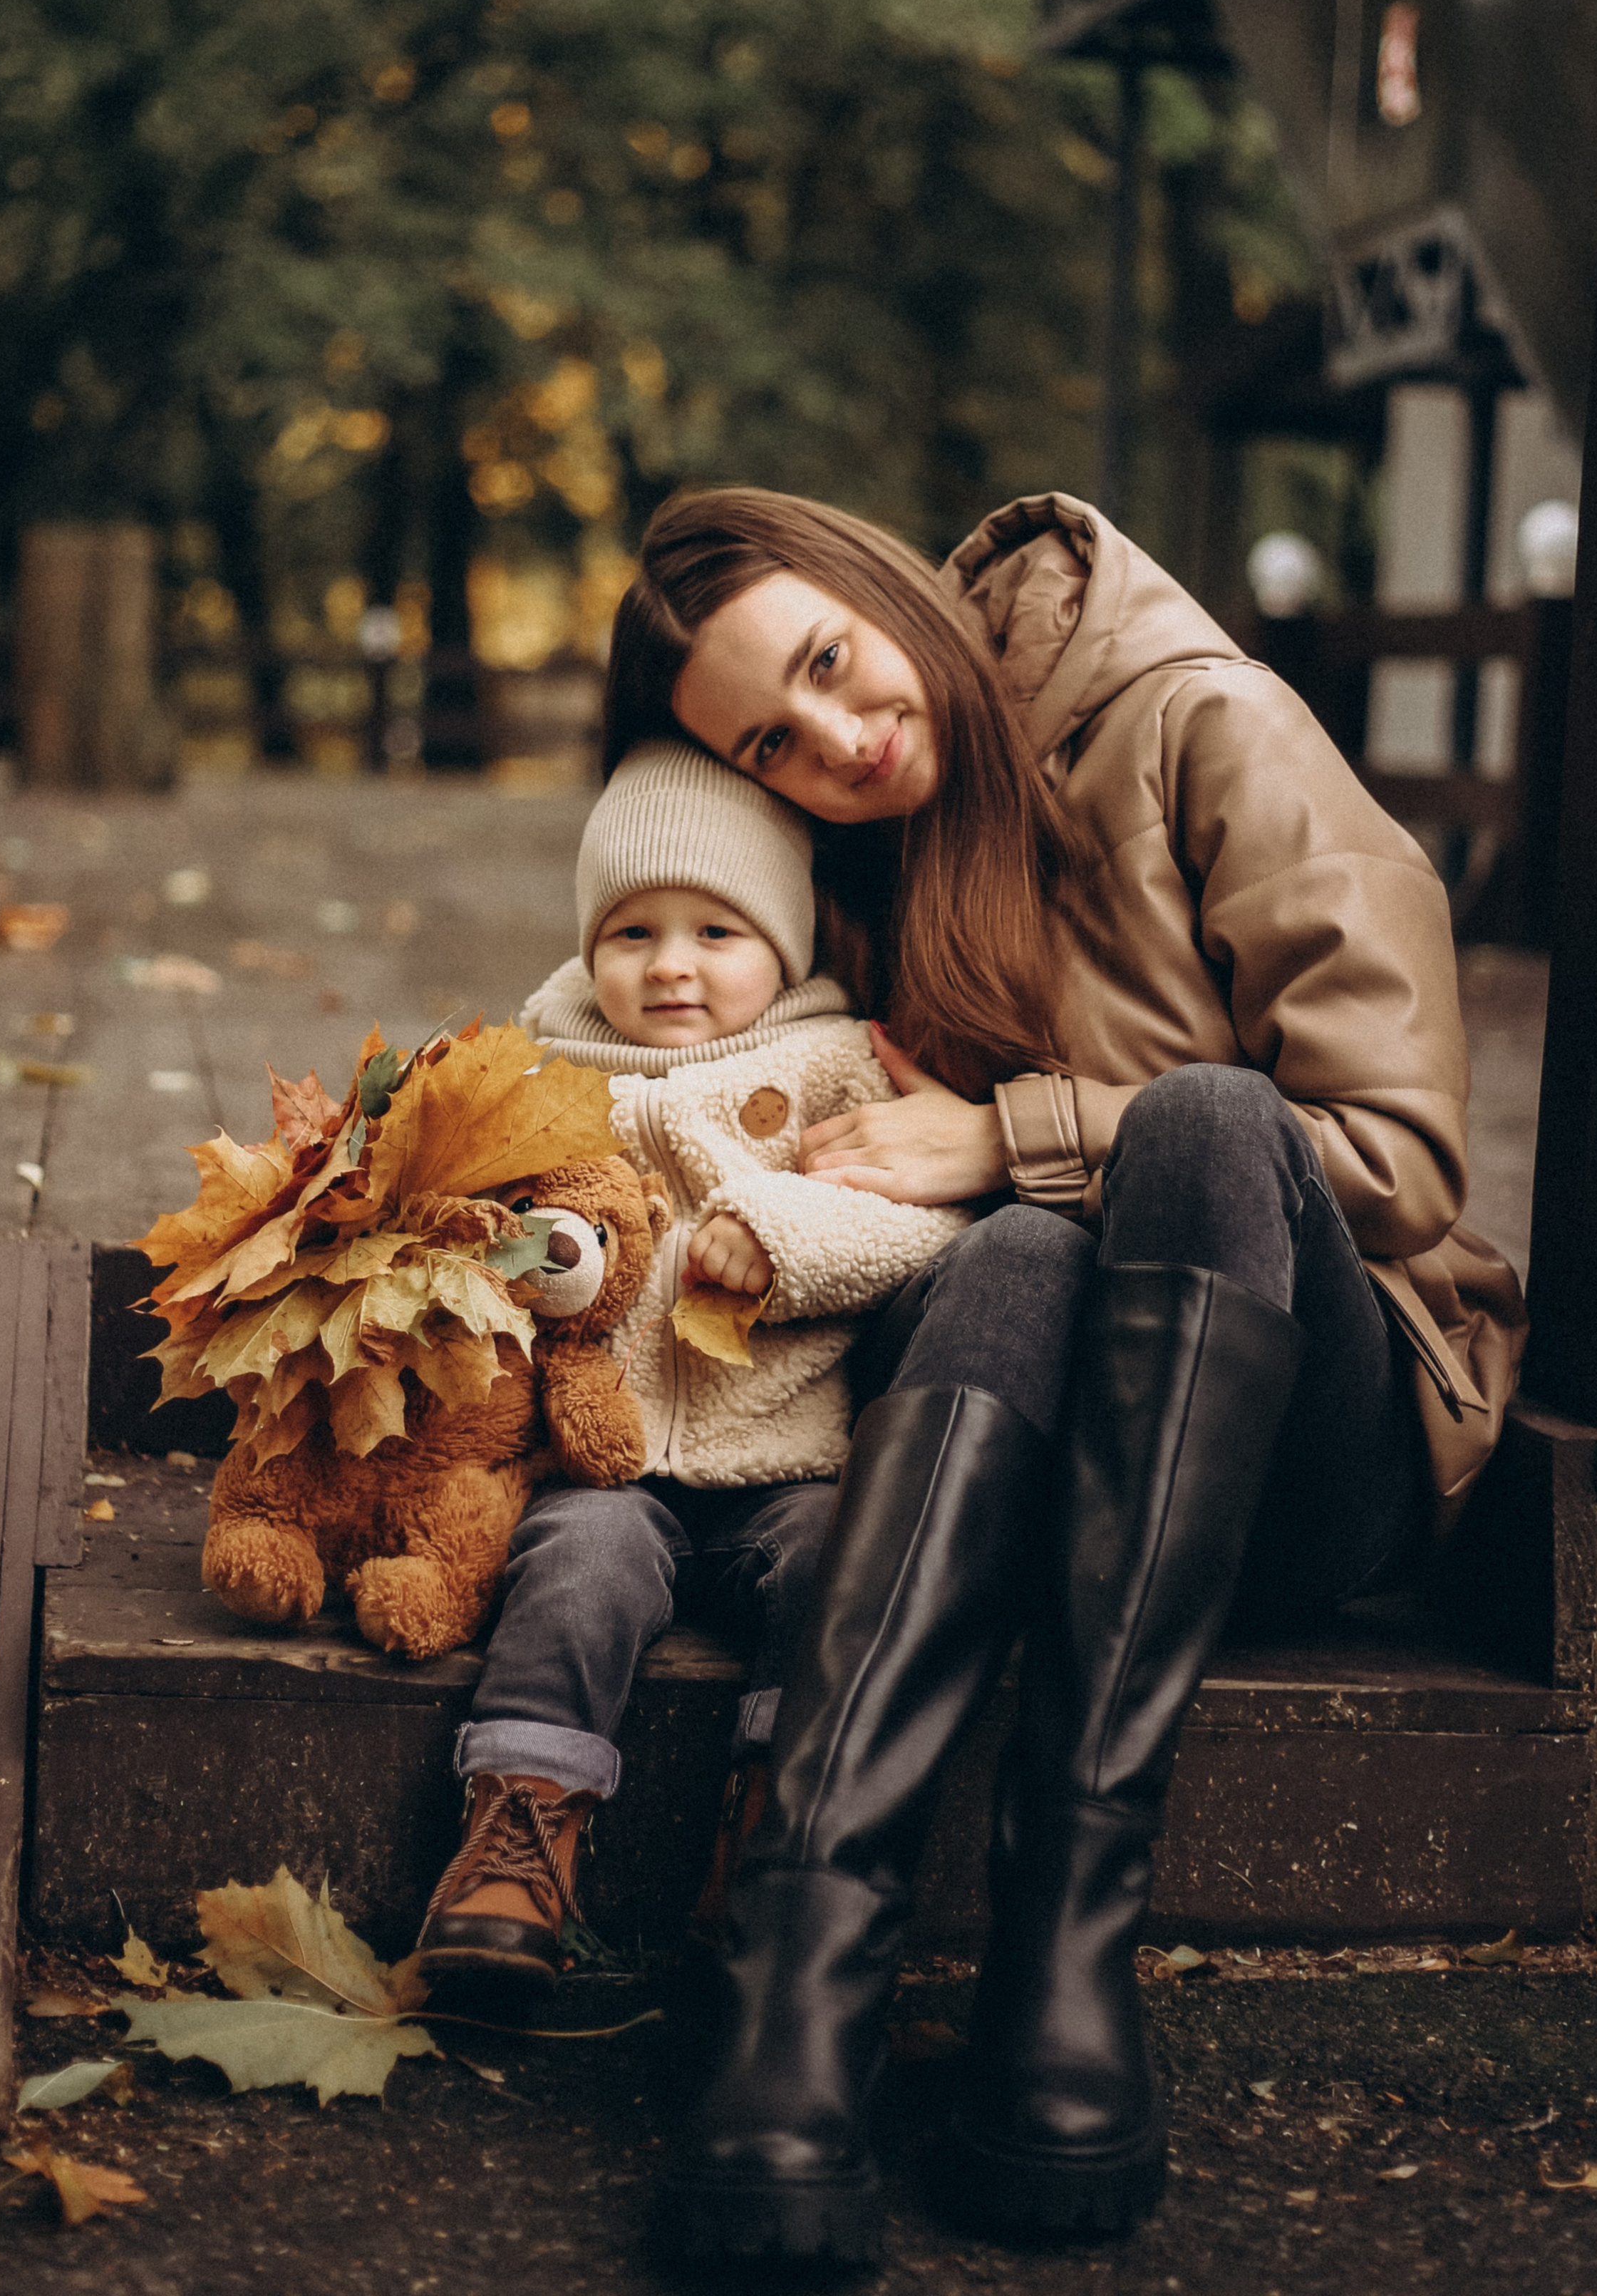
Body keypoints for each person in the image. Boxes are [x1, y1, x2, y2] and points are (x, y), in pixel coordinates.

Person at [596, 487, 1528, 2265]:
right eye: (771, 746)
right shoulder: (868, 869)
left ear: (883, 587)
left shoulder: (1208, 726)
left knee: (1192, 1127)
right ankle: (799, 1998)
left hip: (1316, 1440)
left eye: (827, 663)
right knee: (1025, 1253)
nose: (837, 742)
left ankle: (1063, 1948)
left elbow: (1397, 1164)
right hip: (1033, 1467)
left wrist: (1009, 1136)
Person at [415, 738, 968, 2006]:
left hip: (788, 1452)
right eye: (633, 932)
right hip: (601, 1458)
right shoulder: (536, 1067)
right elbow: (470, 1228)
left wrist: (784, 1238)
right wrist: (537, 1255)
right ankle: (520, 1831)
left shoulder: (837, 1063)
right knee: (573, 1569)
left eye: (718, 931)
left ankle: (782, 1829)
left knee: (841, 1565)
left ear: (782, 940)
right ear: (587, 945)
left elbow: (922, 1218)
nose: (671, 965)